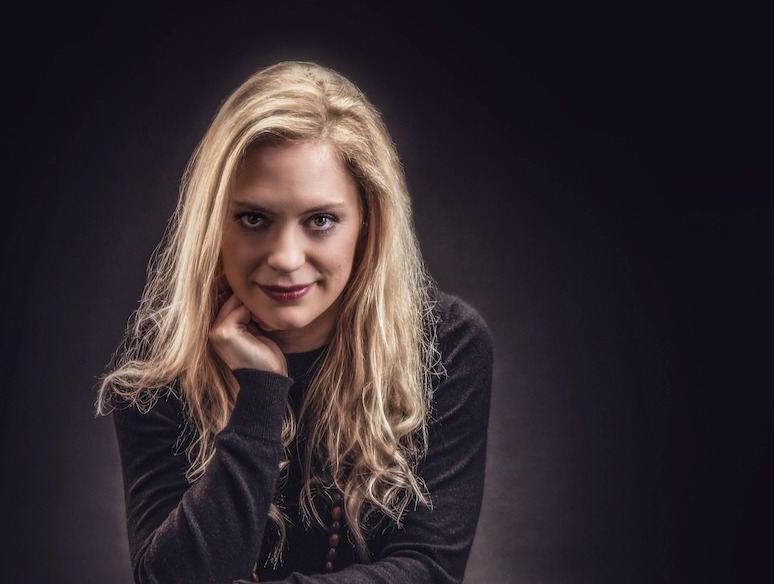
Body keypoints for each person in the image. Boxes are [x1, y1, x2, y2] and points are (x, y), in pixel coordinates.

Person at [96, 61, 493, 583]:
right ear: (214, 222)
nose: (285, 257)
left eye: (320, 220)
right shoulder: (161, 359)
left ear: (367, 221)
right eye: (253, 219)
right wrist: (260, 395)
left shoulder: (446, 344)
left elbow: (429, 570)